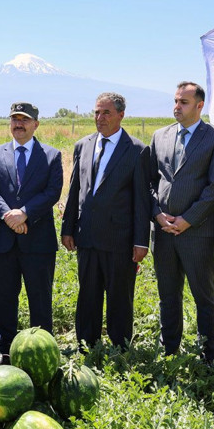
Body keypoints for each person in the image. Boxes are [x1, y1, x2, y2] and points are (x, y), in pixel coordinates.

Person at [149, 81, 214, 363]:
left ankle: (207, 355)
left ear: (199, 106)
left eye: (183, 102)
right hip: (163, 231)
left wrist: (188, 219)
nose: (177, 107)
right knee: (167, 296)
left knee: (203, 296)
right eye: (175, 101)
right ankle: (169, 350)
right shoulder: (160, 136)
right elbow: (150, 182)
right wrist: (158, 215)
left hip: (197, 233)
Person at [61, 92, 150, 350]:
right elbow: (75, 189)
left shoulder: (136, 150)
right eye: (97, 112)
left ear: (121, 115)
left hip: (119, 239)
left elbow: (141, 201)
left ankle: (120, 347)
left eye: (106, 113)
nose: (100, 118)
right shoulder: (83, 145)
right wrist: (68, 228)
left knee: (120, 296)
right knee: (87, 293)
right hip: (87, 236)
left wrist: (141, 241)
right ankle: (87, 344)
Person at [0, 102, 63, 363]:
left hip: (38, 241)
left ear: (36, 124)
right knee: (5, 298)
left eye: (24, 120)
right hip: (4, 241)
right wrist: (8, 215)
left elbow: (53, 191)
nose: (18, 124)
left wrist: (25, 212)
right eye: (14, 119)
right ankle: (6, 350)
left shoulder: (51, 155)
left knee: (40, 298)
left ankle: (42, 353)